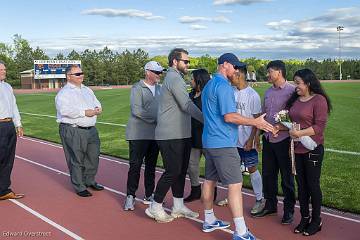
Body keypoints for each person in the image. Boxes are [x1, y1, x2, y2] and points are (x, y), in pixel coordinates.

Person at [201, 53, 274, 240]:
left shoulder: (209, 84)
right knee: (235, 185)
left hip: (209, 141)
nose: (236, 71)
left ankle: (209, 220)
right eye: (234, 67)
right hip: (224, 143)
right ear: (225, 65)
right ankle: (241, 232)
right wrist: (255, 122)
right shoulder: (224, 86)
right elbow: (229, 117)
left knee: (209, 180)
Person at [145, 48, 203, 223]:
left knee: (180, 171)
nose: (188, 64)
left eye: (189, 62)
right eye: (185, 61)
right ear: (175, 62)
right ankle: (155, 206)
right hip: (171, 134)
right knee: (173, 171)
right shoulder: (173, 77)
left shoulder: (176, 78)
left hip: (181, 133)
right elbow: (186, 104)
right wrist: (206, 119)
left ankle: (178, 205)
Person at [286, 69, 331, 236]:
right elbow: (291, 120)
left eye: (298, 83)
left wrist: (300, 134)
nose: (295, 86)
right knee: (301, 186)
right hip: (296, 149)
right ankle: (304, 217)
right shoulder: (295, 99)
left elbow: (319, 127)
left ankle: (316, 219)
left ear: (308, 83)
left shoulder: (319, 100)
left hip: (312, 149)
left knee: (312, 185)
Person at [216, 65, 265, 216]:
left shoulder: (252, 95)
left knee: (251, 168)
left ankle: (259, 198)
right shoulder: (230, 92)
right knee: (232, 170)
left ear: (239, 75)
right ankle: (232, 197)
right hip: (231, 139)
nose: (230, 78)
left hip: (246, 139)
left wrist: (252, 139)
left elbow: (257, 120)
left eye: (232, 75)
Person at [253, 60, 296, 225]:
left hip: (284, 141)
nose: (268, 74)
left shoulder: (292, 91)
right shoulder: (269, 92)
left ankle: (289, 210)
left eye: (270, 71)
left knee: (286, 178)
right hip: (269, 140)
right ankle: (270, 206)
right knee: (268, 175)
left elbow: (295, 117)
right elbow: (264, 115)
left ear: (279, 72)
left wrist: (282, 128)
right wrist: (258, 134)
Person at [55, 65, 104, 197]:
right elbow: (64, 111)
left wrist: (98, 109)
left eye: (81, 73)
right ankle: (79, 186)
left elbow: (97, 103)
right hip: (73, 129)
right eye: (77, 74)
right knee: (76, 159)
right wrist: (84, 112)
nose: (81, 75)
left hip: (91, 130)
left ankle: (89, 180)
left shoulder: (87, 90)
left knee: (93, 157)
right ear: (68, 76)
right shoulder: (64, 93)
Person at [124, 61, 164, 211]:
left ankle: (149, 194)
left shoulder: (160, 89)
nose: (160, 75)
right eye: (157, 72)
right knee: (135, 165)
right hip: (138, 134)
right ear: (148, 72)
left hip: (154, 135)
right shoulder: (137, 88)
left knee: (151, 167)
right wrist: (157, 118)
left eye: (160, 72)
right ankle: (130, 196)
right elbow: (137, 111)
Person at [184, 69, 210, 202]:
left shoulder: (208, 95)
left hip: (206, 136)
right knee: (192, 165)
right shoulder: (190, 95)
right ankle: (195, 190)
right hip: (192, 136)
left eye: (192, 79)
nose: (190, 81)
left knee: (211, 167)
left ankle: (212, 191)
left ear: (199, 80)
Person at [0, 60, 25, 200]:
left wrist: (18, 124)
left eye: (4, 69)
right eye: (1, 69)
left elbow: (14, 106)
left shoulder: (8, 87)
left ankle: (3, 190)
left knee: (8, 159)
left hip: (9, 125)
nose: (4, 71)